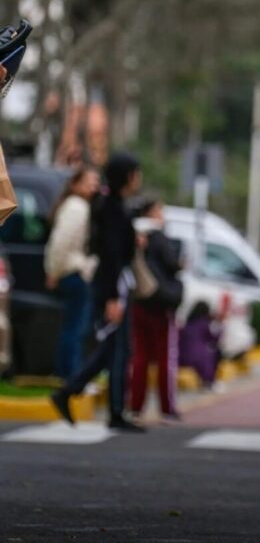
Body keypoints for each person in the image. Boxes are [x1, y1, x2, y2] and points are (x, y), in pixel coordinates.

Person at [50, 152, 145, 432]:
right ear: (127, 177)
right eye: (136, 174)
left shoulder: (112, 206)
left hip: (112, 284)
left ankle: (70, 391)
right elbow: (112, 255)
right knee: (117, 349)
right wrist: (113, 298)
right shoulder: (111, 209)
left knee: (112, 349)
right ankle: (113, 411)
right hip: (112, 286)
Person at [129, 199, 184, 421]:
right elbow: (172, 264)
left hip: (139, 300)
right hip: (161, 302)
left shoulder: (133, 235)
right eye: (160, 211)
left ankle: (136, 406)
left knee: (140, 356)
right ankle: (167, 408)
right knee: (164, 357)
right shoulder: (159, 237)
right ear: (150, 213)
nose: (163, 216)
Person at [44, 165, 101, 379]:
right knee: (76, 329)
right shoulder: (77, 207)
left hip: (70, 271)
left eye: (96, 182)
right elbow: (60, 243)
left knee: (72, 327)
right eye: (89, 182)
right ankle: (72, 376)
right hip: (74, 273)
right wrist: (54, 271)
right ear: (76, 184)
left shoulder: (76, 205)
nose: (94, 187)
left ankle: (67, 374)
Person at [179, 301, 224, 390]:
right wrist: (220, 326)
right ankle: (209, 381)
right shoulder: (203, 323)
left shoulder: (187, 323)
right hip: (199, 358)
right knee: (215, 354)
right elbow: (214, 339)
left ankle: (207, 381)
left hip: (182, 356)